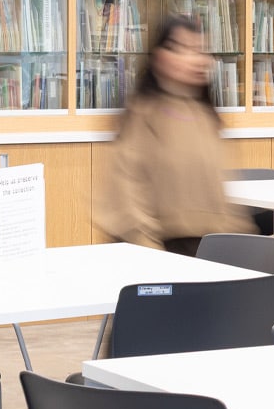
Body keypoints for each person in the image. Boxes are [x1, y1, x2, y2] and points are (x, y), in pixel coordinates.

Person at [92, 14, 253, 255]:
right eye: (183, 49)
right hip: (157, 255)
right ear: (159, 57)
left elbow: (222, 203)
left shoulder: (206, 117)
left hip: (207, 254)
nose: (196, 59)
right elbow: (126, 203)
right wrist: (154, 256)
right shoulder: (141, 115)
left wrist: (238, 250)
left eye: (200, 50)